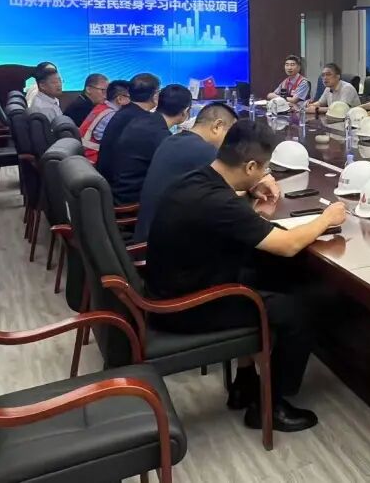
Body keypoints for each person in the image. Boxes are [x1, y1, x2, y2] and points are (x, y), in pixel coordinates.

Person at [145, 119, 347, 432]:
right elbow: (288, 245)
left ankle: (245, 382)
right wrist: (327, 218)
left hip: (179, 284)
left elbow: (226, 218)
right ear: (250, 166)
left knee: (268, 270)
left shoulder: (198, 180)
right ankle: (270, 406)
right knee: (298, 311)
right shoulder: (217, 201)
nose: (266, 173)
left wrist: (250, 193)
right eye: (264, 168)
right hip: (186, 308)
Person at [135, 102, 239, 243]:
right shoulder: (203, 150)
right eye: (230, 135)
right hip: (163, 244)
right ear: (217, 126)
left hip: (149, 233)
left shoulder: (172, 140)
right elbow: (233, 190)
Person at [108, 84, 193, 205]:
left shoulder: (143, 120)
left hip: (118, 191)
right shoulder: (161, 136)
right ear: (185, 111)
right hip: (132, 202)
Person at [97, 73, 161, 180]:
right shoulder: (142, 120)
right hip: (123, 182)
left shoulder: (125, 112)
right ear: (155, 96)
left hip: (108, 176)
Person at [80, 80, 131, 164]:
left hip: (85, 155)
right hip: (94, 159)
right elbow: (110, 141)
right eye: (130, 97)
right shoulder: (111, 115)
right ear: (120, 99)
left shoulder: (101, 107)